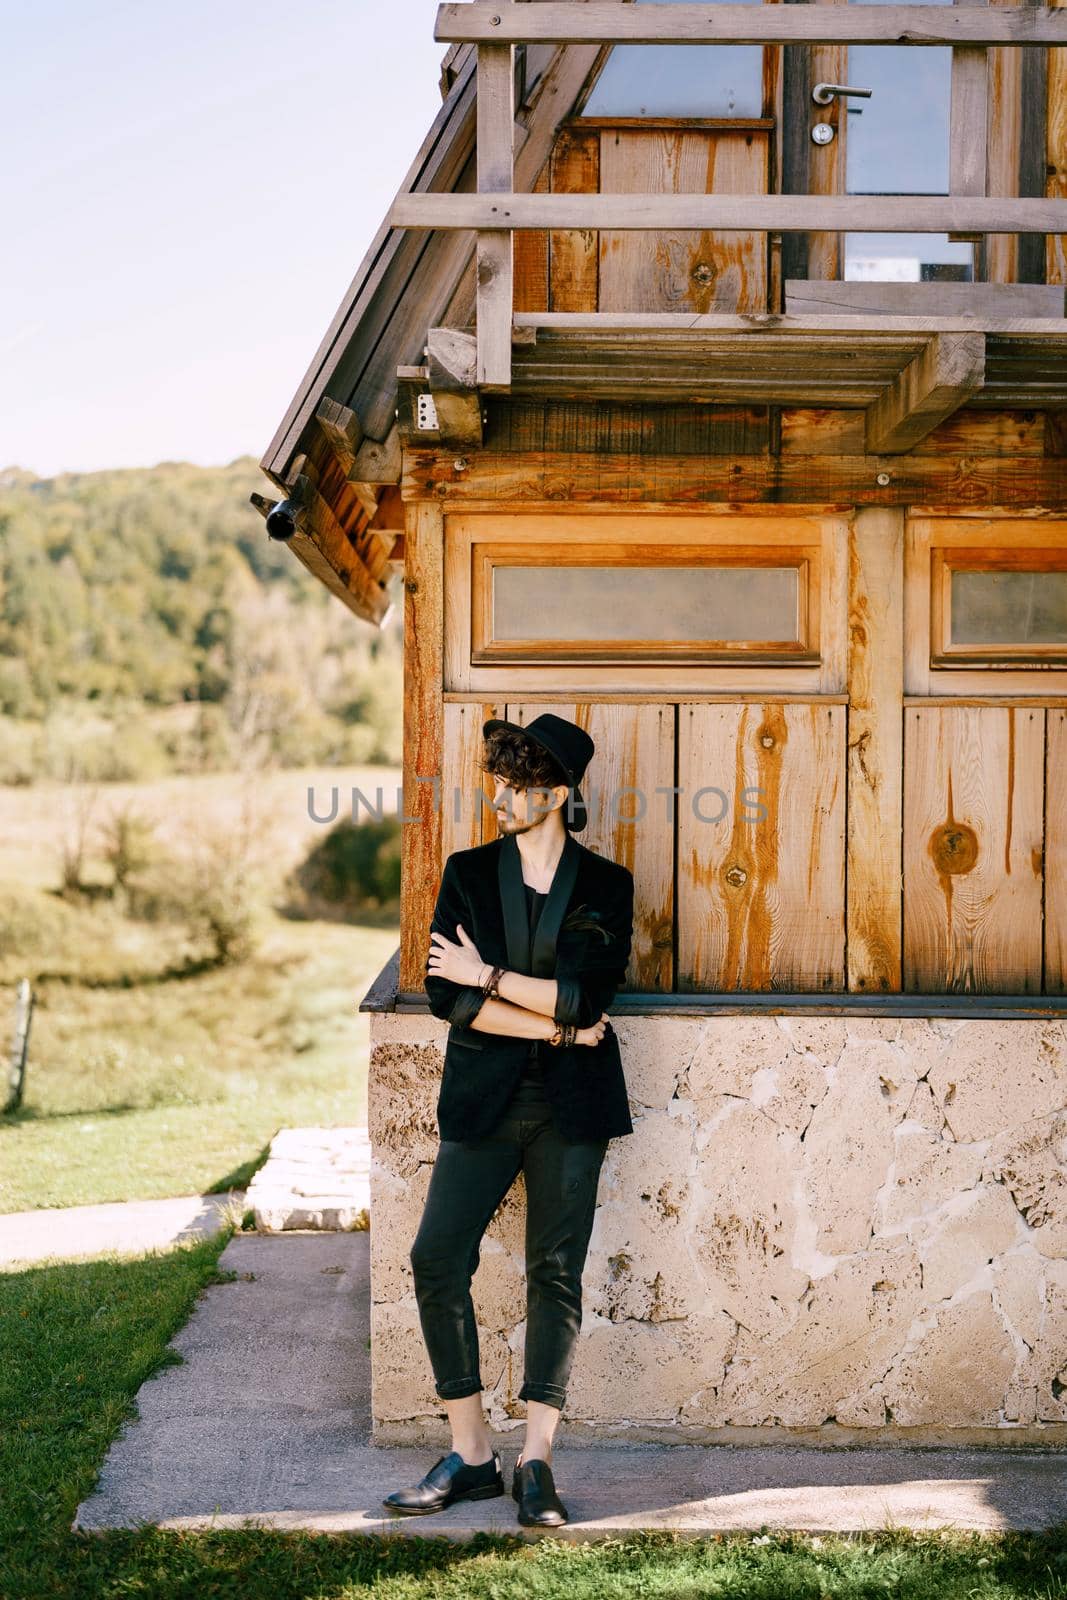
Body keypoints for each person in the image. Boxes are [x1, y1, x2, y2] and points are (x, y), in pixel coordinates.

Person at [382, 713, 635, 1527]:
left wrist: (492, 975)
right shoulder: (464, 873)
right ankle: (471, 1455)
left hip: (572, 1110)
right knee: (436, 1256)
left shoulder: (606, 886)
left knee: (553, 1274)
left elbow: (585, 995)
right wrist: (557, 1029)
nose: (499, 797)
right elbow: (448, 1000)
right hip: (484, 1101)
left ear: (557, 796)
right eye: (497, 781)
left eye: (518, 786)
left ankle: (536, 1464)